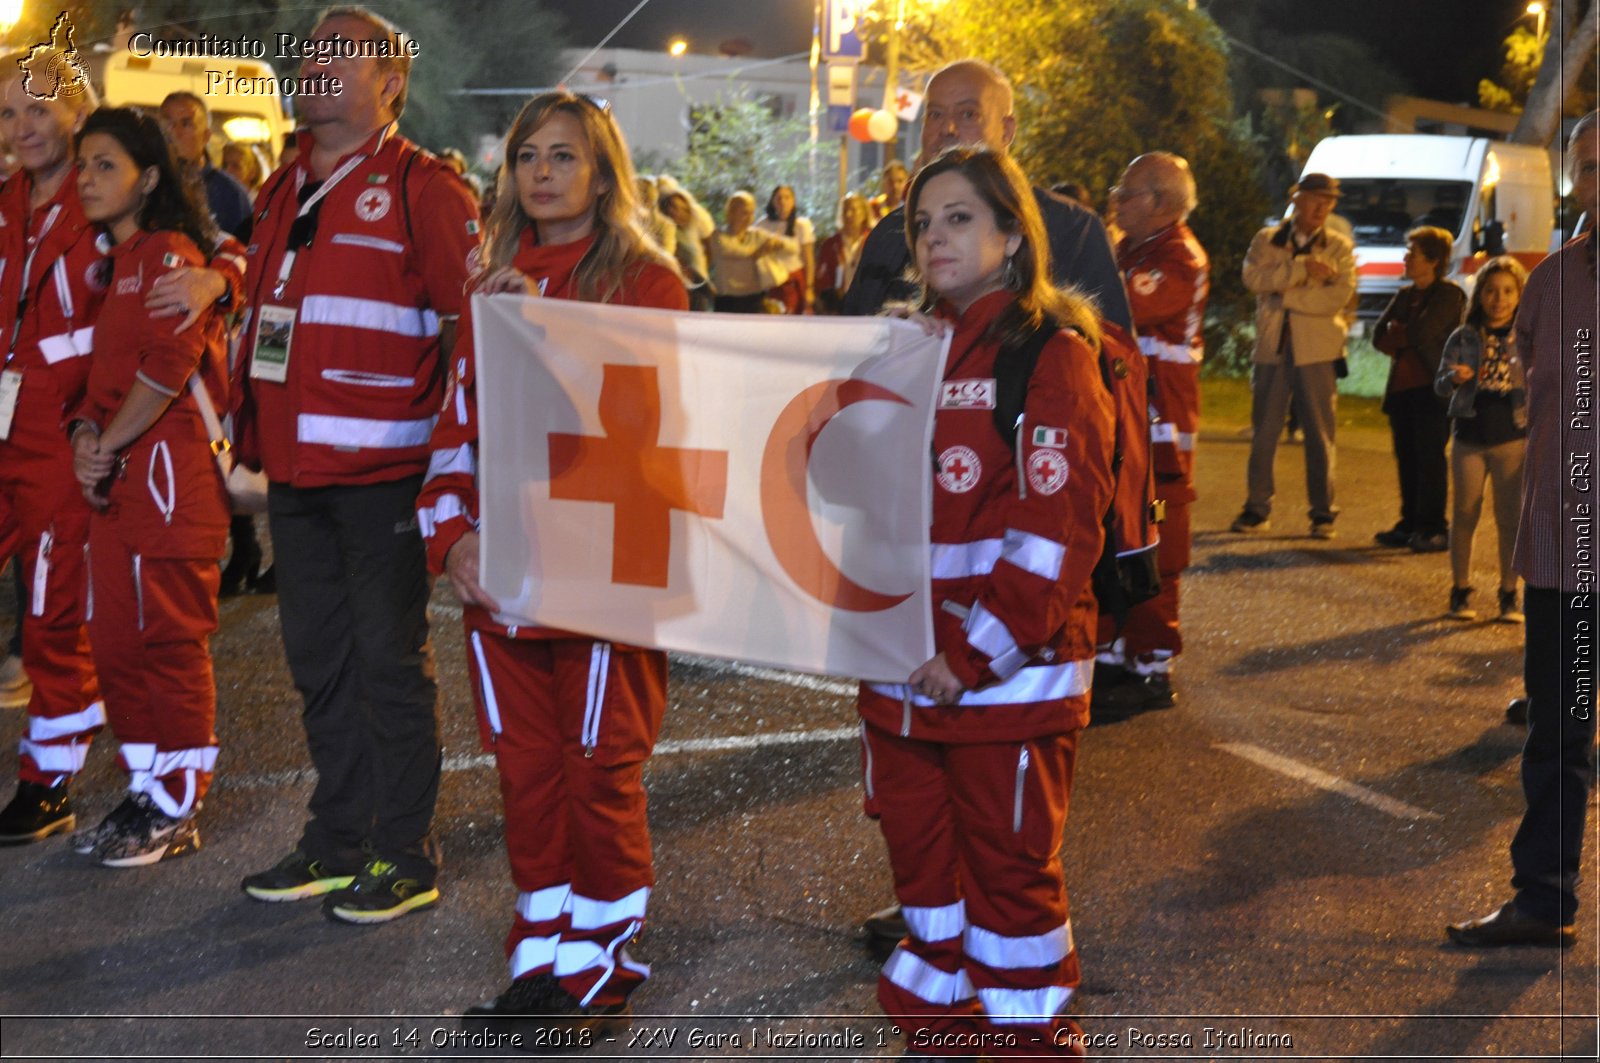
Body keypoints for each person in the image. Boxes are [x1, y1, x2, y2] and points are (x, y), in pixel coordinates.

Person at [417, 91, 685, 1038]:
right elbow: (459, 426)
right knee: (526, 773)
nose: (541, 171)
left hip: (607, 571)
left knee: (598, 770)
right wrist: (451, 538)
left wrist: (551, 333)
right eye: (528, 154)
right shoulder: (489, 279)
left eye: (564, 156)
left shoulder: (649, 283)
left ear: (604, 172)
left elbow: (645, 434)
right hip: (503, 573)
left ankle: (603, 961)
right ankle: (541, 957)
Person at [850, 54, 1131, 955]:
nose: (934, 237)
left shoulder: (1051, 353)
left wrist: (974, 652)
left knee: (1010, 895)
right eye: (923, 222)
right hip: (904, 677)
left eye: (960, 220)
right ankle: (940, 1033)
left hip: (999, 678)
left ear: (1013, 236)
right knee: (924, 890)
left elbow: (1054, 536)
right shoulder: (907, 351)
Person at [228, 5, 480, 924]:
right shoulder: (277, 185)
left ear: (391, 86)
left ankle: (405, 851)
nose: (318, 66)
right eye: (311, 53)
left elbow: (476, 332)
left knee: (387, 662)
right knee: (317, 661)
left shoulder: (427, 189)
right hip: (294, 473)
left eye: (344, 55)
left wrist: (460, 467)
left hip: (383, 478)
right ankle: (337, 841)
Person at [1447, 111, 1599, 949]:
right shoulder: (1552, 280)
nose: (1591, 181)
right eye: (1583, 165)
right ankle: (1544, 899)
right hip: (1567, 559)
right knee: (1561, 730)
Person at [66, 107, 231, 866]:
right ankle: (145, 787)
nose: (88, 179)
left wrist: (106, 446)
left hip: (168, 483)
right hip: (121, 483)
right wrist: (85, 439)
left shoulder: (167, 252)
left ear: (150, 177)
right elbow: (91, 383)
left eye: (106, 164)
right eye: (83, 165)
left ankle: (176, 802)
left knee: (167, 640)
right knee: (116, 642)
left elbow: (167, 367)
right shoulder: (114, 262)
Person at [0, 51, 105, 846]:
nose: (23, 127)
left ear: (76, 106)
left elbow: (205, 256)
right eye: (6, 114)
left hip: (61, 433)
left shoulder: (107, 195)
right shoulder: (2, 202)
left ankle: (49, 775)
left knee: (50, 610)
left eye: (37, 107)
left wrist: (219, 284)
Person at [841, 59, 1131, 334]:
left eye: (968, 114)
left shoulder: (1072, 229)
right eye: (935, 115)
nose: (947, 130)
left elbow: (1114, 354)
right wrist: (889, 334)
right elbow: (848, 350)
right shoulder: (890, 235)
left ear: (1007, 131)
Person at [1095, 152, 1208, 714]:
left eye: (1127, 190)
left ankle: (1153, 664)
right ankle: (1117, 650)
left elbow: (1118, 305)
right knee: (1113, 530)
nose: (1116, 199)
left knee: (1157, 540)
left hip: (1161, 428)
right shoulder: (1131, 250)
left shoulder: (1178, 257)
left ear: (1161, 203)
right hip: (1128, 420)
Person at [157, 91, 264, 598]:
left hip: (202, 364)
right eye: (168, 122)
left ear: (204, 133)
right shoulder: (135, 196)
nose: (176, 131)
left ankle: (240, 547)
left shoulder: (228, 192)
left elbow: (242, 252)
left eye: (186, 123)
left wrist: (221, 283)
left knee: (219, 455)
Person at [1231, 173, 1356, 539]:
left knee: (1320, 433)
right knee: (1264, 431)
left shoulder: (1338, 246)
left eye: (1329, 201)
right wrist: (1304, 270)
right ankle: (1256, 508)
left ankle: (1323, 513)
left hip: (1317, 350)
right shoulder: (1267, 239)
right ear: (1296, 199)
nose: (1322, 208)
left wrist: (1284, 294)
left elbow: (1337, 296)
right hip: (1273, 347)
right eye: (1316, 199)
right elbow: (1253, 280)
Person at [1435, 256, 1527, 622]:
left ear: (1520, 295)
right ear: (1480, 295)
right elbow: (1440, 382)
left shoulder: (1529, 336)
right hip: (1470, 435)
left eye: (1507, 291)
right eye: (1490, 291)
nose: (1498, 299)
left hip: (1513, 437)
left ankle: (1508, 592)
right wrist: (1454, 378)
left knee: (1510, 519)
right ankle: (1460, 590)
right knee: (1465, 513)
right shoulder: (1464, 336)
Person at [1371, 226, 1467, 553]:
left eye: (1413, 254)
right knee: (1406, 458)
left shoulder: (1449, 295)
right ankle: (1409, 522)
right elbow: (1378, 335)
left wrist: (1402, 333)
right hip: (1401, 390)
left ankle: (1434, 527)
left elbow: (1421, 333)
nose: (1406, 259)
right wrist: (1402, 334)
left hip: (1432, 390)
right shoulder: (1405, 296)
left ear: (1434, 260)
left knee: (1430, 461)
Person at [706, 191, 792, 313]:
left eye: (752, 213)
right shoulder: (717, 236)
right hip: (727, 300)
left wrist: (779, 244)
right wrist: (759, 251)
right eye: (745, 213)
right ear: (731, 212)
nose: (749, 217)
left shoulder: (757, 234)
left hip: (755, 298)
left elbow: (792, 247)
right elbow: (729, 250)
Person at [754, 184, 814, 314]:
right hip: (771, 282)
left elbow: (808, 258)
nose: (783, 201)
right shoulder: (762, 224)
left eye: (787, 197)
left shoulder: (801, 224)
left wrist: (809, 287)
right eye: (778, 198)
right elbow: (754, 253)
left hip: (794, 282)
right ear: (772, 201)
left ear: (793, 201)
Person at [814, 193, 869, 314]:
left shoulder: (874, 242)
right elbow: (821, 282)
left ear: (864, 214)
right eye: (845, 210)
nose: (848, 215)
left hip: (866, 308)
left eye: (853, 210)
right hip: (837, 309)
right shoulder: (830, 245)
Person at [659, 190, 712, 310]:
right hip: (680, 284)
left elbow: (710, 247)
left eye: (679, 208)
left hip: (698, 282)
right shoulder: (666, 232)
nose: (674, 211)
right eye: (671, 206)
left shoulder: (691, 230)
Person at [867, 158, 908, 225]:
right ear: (883, 183)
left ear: (906, 182)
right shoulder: (873, 207)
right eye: (890, 181)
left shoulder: (910, 208)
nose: (895, 186)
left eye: (900, 181)